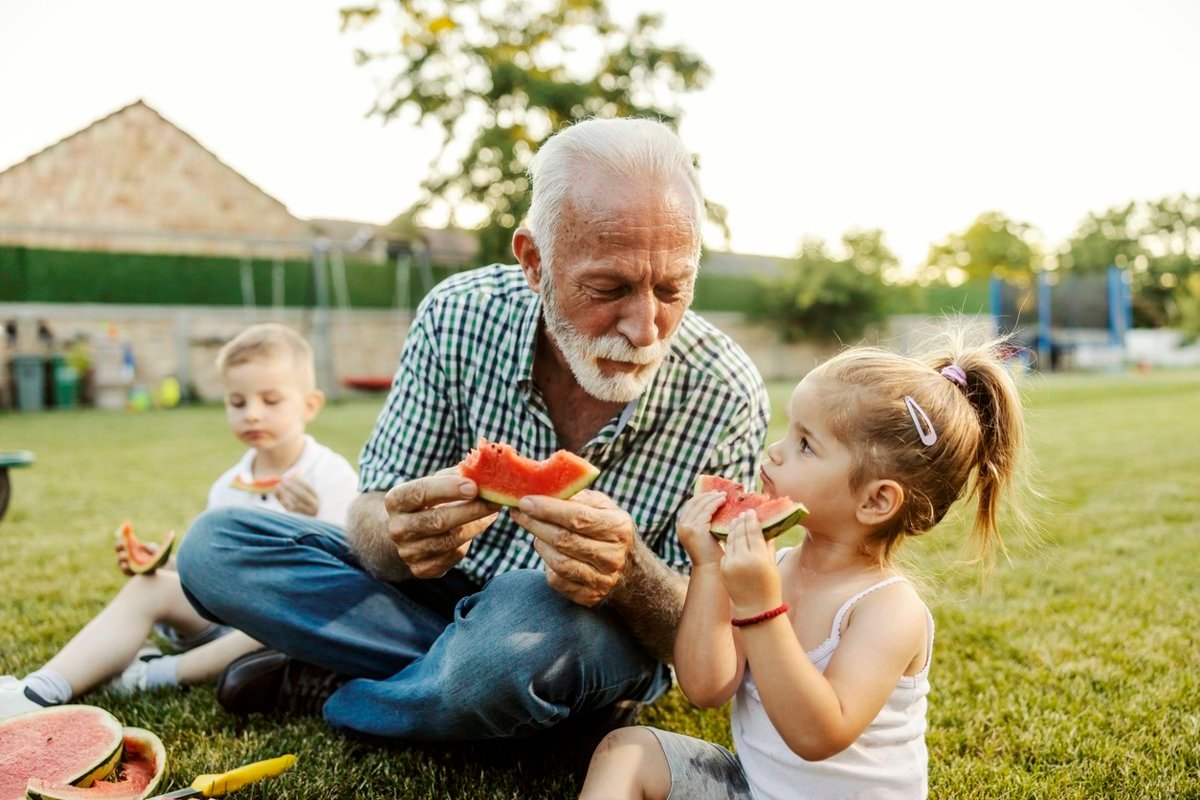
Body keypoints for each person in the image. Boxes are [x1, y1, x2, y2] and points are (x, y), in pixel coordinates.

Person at [174, 117, 770, 748]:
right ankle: (514, 705)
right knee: (216, 546)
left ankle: (340, 690)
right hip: (434, 599)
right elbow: (373, 515)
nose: (646, 327)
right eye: (609, 287)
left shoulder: (726, 390)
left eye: (673, 289)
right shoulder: (458, 315)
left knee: (531, 631)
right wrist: (398, 533)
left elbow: (712, 633)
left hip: (583, 630)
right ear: (535, 262)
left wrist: (631, 575)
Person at [580, 330, 1029, 800]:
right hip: (755, 789)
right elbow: (707, 687)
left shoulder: (889, 611)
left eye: (806, 444)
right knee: (626, 750)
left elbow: (818, 735)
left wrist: (759, 606)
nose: (775, 451)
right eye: (788, 431)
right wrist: (709, 571)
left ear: (876, 500)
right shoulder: (772, 568)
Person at [0, 323, 358, 717]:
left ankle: (157, 673)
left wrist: (308, 524)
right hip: (227, 614)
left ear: (310, 405)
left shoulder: (331, 476)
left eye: (270, 400)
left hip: (285, 623)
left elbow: (343, 581)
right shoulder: (229, 485)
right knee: (147, 586)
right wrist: (165, 562)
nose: (252, 414)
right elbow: (216, 571)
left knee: (285, 613)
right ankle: (39, 689)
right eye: (237, 403)